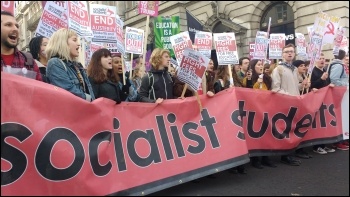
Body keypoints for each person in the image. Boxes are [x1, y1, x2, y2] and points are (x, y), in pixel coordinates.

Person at [271, 43, 302, 166]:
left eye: (292, 51)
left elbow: (294, 87)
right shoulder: (278, 69)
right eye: (287, 51)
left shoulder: (294, 69)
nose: (290, 53)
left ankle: (291, 153)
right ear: (282, 54)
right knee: (286, 130)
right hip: (285, 104)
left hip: (295, 103)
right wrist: (289, 97)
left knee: (293, 129)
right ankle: (286, 156)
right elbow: (275, 88)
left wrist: (302, 85)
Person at [241, 59, 276, 169]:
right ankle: (255, 159)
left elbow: (270, 90)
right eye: (258, 65)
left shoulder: (267, 78)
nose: (261, 66)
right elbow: (248, 92)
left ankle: (266, 157)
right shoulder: (248, 78)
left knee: (266, 132)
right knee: (256, 134)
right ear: (253, 67)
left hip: (266, 108)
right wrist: (256, 83)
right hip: (254, 110)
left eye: (262, 64)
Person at [46, 28, 95, 101]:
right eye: (74, 40)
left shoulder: (77, 65)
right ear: (63, 42)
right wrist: (90, 100)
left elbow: (88, 90)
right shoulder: (55, 63)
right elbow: (68, 90)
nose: (78, 44)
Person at [1, 11, 42, 81]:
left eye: (17, 26)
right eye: (8, 25)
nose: (15, 29)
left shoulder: (28, 60)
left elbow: (39, 89)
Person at [309, 53, 337, 154]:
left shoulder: (325, 70)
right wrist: (321, 79)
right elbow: (311, 85)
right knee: (318, 123)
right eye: (319, 58)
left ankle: (324, 145)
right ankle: (317, 146)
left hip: (325, 101)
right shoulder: (313, 71)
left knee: (324, 123)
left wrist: (330, 85)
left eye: (323, 58)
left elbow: (326, 83)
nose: (322, 60)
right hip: (316, 100)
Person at [328, 49, 349, 150]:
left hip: (341, 93)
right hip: (339, 94)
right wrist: (346, 85)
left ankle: (342, 138)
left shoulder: (339, 65)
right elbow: (334, 79)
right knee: (339, 117)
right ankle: (338, 141)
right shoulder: (338, 65)